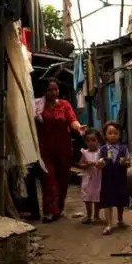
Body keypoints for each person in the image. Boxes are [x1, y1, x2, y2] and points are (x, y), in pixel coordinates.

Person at [35, 78, 83, 223]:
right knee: (48, 179)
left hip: (63, 147)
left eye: (56, 89)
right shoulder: (37, 106)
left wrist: (79, 127)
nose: (54, 92)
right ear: (44, 91)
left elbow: (72, 120)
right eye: (50, 90)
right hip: (45, 148)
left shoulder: (64, 105)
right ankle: (49, 211)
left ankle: (59, 208)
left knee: (63, 180)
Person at [97, 121, 130, 235]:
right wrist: (100, 164)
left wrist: (125, 162)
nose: (113, 135)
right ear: (105, 135)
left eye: (115, 133)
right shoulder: (102, 150)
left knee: (120, 201)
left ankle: (120, 219)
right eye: (110, 133)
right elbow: (98, 164)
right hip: (107, 180)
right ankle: (109, 224)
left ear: (119, 134)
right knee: (107, 202)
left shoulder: (123, 149)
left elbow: (129, 163)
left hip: (120, 179)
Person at [78, 128, 102, 224]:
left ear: (98, 141)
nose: (91, 143)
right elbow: (80, 164)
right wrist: (86, 164)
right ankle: (88, 215)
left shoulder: (100, 152)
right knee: (87, 197)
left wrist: (99, 164)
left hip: (98, 178)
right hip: (88, 178)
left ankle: (96, 215)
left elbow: (104, 163)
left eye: (93, 140)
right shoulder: (85, 152)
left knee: (97, 197)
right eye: (88, 141)